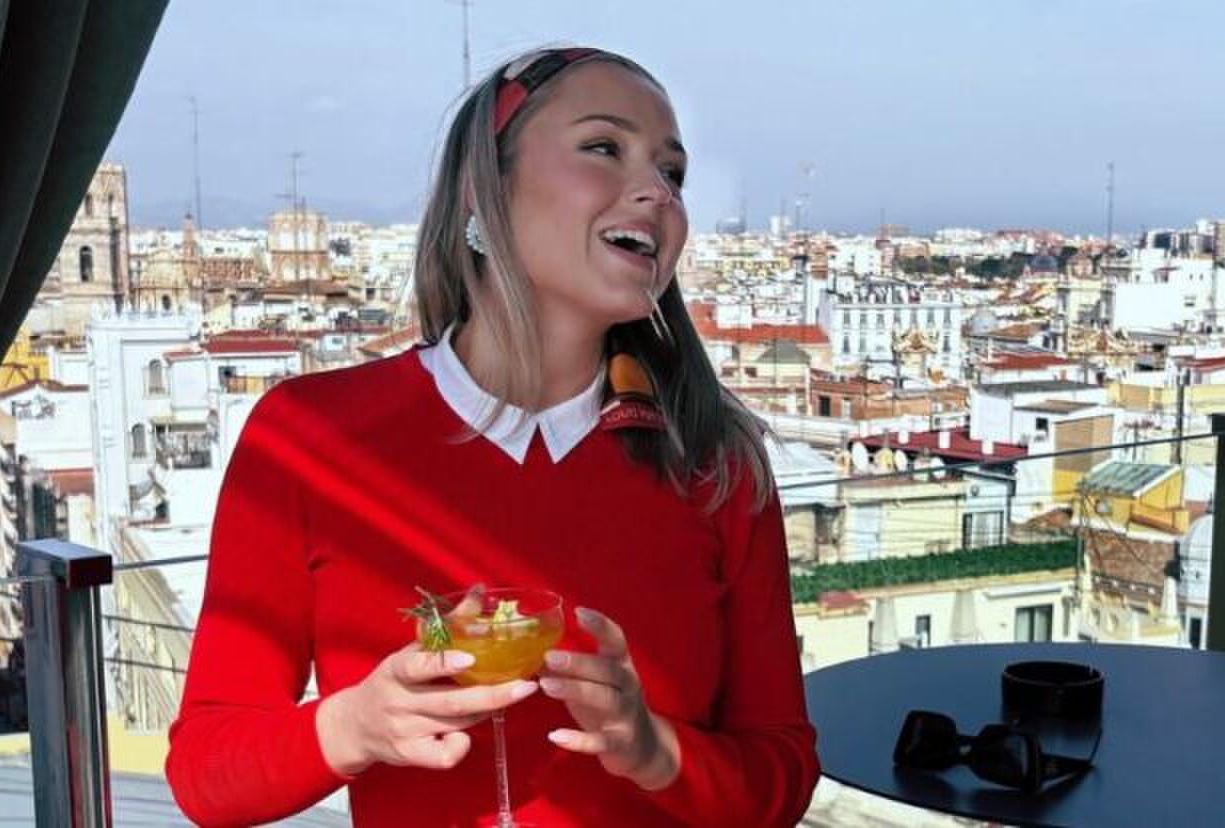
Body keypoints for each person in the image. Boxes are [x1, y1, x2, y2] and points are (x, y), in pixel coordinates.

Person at [165, 47, 819, 826]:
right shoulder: (306, 439)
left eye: (672, 172)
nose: (658, 192)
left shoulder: (715, 461)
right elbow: (206, 772)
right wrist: (353, 727)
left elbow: (783, 774)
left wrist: (657, 752)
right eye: (604, 147)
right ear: (484, 189)